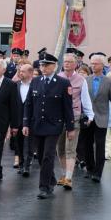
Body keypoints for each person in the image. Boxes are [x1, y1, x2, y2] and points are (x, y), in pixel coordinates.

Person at [22, 54, 74, 200]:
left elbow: (67, 108)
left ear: (54, 66)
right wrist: (26, 123)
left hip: (54, 125)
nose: (43, 68)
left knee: (47, 156)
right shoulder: (36, 81)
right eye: (41, 65)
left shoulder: (63, 83)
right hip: (37, 124)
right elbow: (29, 104)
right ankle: (51, 178)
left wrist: (70, 128)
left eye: (46, 65)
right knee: (40, 156)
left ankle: (45, 187)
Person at [79, 54, 111, 183]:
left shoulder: (109, 82)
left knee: (99, 146)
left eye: (95, 64)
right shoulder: (86, 80)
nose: (93, 66)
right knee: (86, 145)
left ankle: (98, 173)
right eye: (91, 63)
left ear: (102, 65)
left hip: (101, 118)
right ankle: (90, 168)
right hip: (87, 118)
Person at [56, 54, 95, 190]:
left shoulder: (81, 80)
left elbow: (85, 99)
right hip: (58, 118)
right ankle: (64, 173)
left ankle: (68, 178)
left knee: (70, 148)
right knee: (60, 148)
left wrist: (90, 115)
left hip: (75, 117)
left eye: (70, 62)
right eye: (65, 62)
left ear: (75, 64)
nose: (67, 64)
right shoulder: (57, 78)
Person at [12, 63, 35, 176]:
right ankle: (21, 164)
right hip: (17, 119)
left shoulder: (36, 85)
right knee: (18, 143)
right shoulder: (15, 85)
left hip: (32, 120)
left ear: (30, 73)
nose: (20, 73)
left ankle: (27, 165)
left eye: (23, 71)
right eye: (20, 71)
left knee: (30, 143)